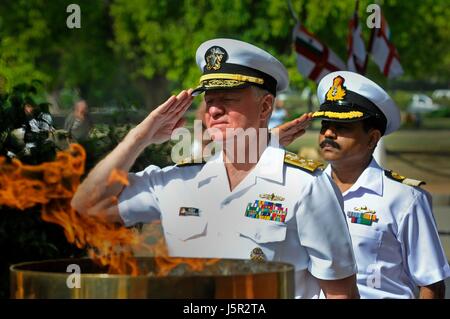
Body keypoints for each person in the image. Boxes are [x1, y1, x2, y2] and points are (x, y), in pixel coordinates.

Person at [72, 39, 359, 298]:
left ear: (265, 107)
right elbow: (87, 205)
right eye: (209, 100)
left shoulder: (305, 185)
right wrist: (139, 137)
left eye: (228, 99)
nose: (214, 110)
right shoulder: (179, 180)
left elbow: (340, 293)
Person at [275, 71, 450, 298]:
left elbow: (431, 283)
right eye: (325, 124)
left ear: (372, 138)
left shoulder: (404, 198)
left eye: (343, 127)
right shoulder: (304, 188)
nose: (328, 133)